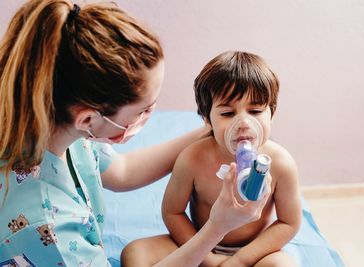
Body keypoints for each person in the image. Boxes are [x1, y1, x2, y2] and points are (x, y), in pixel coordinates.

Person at [0, 1, 269, 266]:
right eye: (143, 110)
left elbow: (123, 171)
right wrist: (216, 228)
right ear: (88, 118)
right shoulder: (46, 229)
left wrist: (218, 127)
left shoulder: (54, 124)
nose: (148, 117)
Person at [123, 51, 302, 267]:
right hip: (199, 243)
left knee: (283, 265)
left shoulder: (281, 164)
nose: (244, 123)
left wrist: (241, 260)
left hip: (254, 251)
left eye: (255, 111)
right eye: (227, 114)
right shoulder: (193, 158)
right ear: (207, 119)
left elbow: (288, 222)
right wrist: (206, 257)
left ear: (271, 114)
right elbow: (172, 211)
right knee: (135, 253)